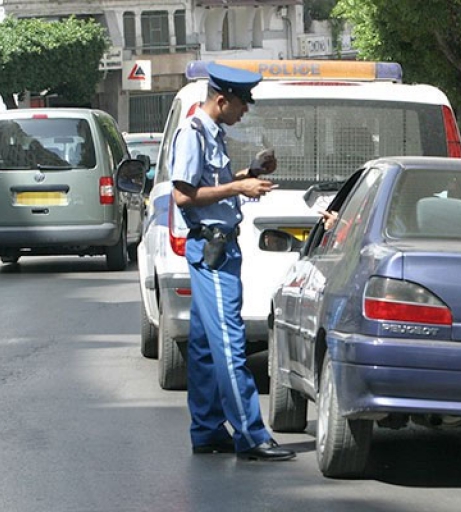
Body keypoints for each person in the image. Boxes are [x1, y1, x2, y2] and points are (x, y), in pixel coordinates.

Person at [170, 62, 295, 461]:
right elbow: (184, 196)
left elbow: (208, 185)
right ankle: (251, 435)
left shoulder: (211, 133)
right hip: (213, 250)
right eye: (242, 104)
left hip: (219, 248)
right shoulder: (191, 133)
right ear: (221, 100)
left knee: (206, 347)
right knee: (229, 344)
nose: (246, 111)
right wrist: (238, 186)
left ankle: (206, 430)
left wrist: (249, 174)